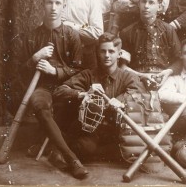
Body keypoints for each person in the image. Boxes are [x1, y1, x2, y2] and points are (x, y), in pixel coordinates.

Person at [20, 0, 88, 179]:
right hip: (42, 87)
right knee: (40, 105)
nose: (53, 7)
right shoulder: (32, 36)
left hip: (66, 86)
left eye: (58, 3)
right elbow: (20, 74)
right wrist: (34, 58)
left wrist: (56, 71)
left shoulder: (72, 35)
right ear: (43, 5)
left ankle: (49, 143)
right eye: (49, 2)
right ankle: (72, 159)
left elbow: (80, 70)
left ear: (63, 6)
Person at [52, 33, 144, 164]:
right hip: (92, 131)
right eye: (103, 51)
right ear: (97, 53)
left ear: (119, 54)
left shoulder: (128, 77)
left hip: (117, 131)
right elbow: (59, 91)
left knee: (126, 150)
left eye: (111, 51)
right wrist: (84, 94)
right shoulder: (88, 75)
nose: (106, 55)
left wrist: (121, 100)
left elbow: (138, 94)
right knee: (85, 149)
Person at [119, 0, 180, 82]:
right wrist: (140, 76)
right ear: (139, 3)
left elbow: (179, 60)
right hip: (135, 79)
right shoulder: (127, 32)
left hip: (164, 79)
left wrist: (168, 72)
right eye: (143, 1)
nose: (146, 6)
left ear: (159, 6)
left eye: (151, 2)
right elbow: (122, 66)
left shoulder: (168, 30)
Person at [59, 0, 103, 70]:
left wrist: (70, 26)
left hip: (86, 54)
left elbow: (97, 33)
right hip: (62, 55)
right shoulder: (56, 0)